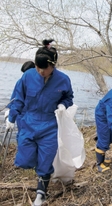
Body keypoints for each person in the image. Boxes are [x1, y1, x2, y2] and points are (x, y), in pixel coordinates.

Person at [5, 39, 74, 206]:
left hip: (50, 124)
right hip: (28, 121)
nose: (40, 71)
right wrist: (11, 117)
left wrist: (62, 105)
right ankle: (39, 167)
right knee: (25, 160)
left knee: (46, 161)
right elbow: (18, 99)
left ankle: (41, 194)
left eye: (44, 68)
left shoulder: (63, 79)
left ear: (53, 65)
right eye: (37, 67)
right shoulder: (28, 76)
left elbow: (69, 97)